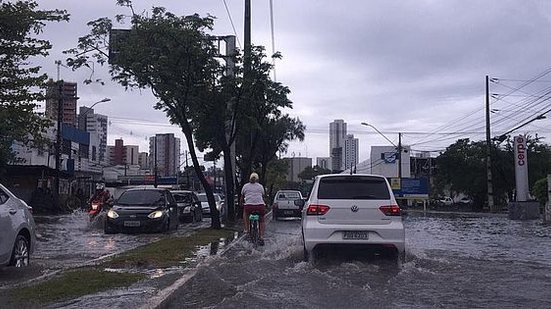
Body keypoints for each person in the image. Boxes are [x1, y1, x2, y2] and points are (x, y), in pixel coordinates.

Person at [241, 172, 266, 245]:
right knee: (262, 220)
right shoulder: (260, 186)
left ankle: (247, 230)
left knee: (245, 214)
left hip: (249, 206)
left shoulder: (245, 186)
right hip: (260, 206)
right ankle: (261, 237)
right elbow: (263, 196)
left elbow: (242, 198)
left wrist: (241, 204)